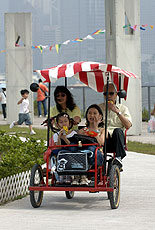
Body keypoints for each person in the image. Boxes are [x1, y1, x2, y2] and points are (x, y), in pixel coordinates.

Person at [99, 82, 132, 168]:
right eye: (106, 94)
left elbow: (128, 125)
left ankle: (119, 157)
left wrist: (118, 112)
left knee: (118, 130)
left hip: (116, 139)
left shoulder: (123, 108)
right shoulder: (99, 108)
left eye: (111, 93)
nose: (108, 96)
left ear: (116, 94)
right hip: (102, 137)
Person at [72, 104, 105, 185]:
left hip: (97, 156)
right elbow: (78, 142)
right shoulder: (82, 130)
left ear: (100, 116)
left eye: (95, 113)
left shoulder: (102, 130)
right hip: (82, 153)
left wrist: (95, 128)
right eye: (90, 113)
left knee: (90, 149)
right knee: (75, 149)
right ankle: (78, 175)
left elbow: (101, 143)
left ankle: (84, 175)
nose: (92, 115)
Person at [51, 112, 77, 184]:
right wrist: (60, 137)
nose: (64, 124)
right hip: (61, 152)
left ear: (69, 123)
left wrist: (65, 138)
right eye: (61, 122)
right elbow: (58, 147)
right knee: (58, 153)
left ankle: (69, 176)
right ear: (58, 125)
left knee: (71, 151)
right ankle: (60, 175)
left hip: (71, 153)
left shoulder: (73, 133)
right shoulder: (56, 135)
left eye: (66, 121)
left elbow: (73, 147)